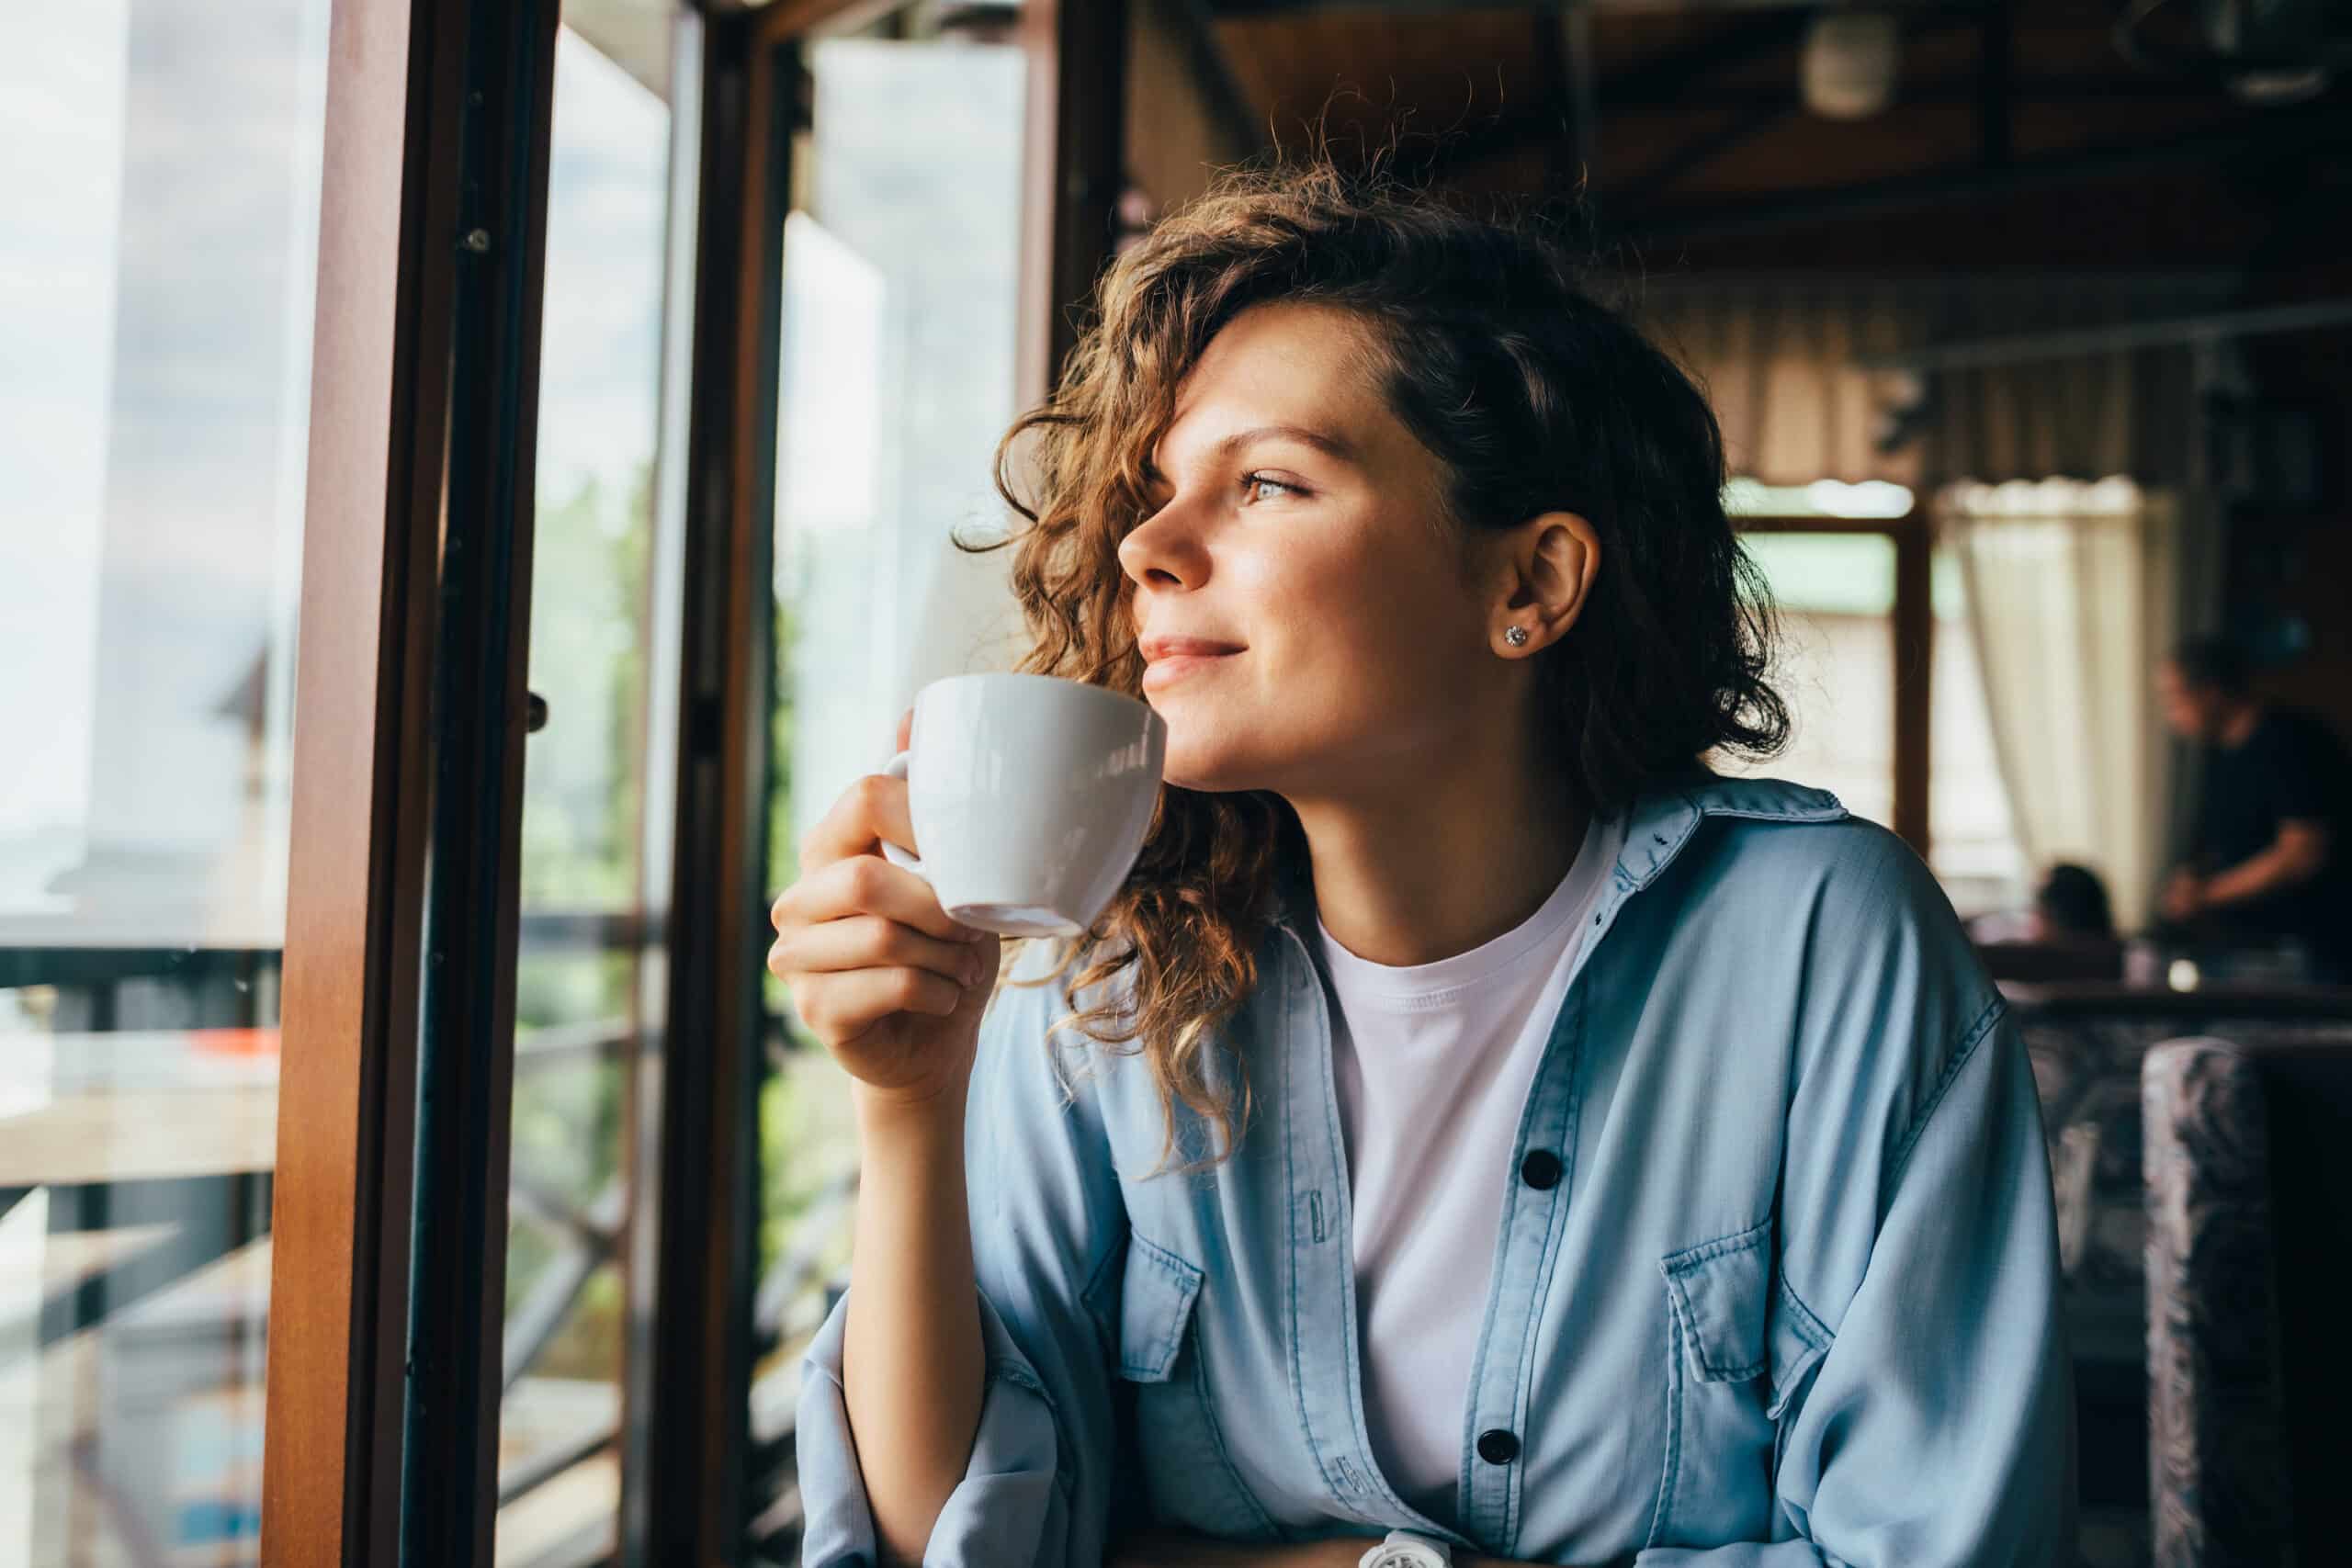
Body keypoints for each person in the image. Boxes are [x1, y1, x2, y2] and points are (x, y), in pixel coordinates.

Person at [770, 163, 2073, 1568]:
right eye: (1153, 493)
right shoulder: (1109, 967)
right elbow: (946, 1542)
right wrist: (910, 1103)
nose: (1147, 545)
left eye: (1265, 481)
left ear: (1528, 584)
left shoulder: (1825, 943)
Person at [2156, 636, 2352, 980]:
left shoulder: (2289, 742)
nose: (2170, 714)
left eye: (2175, 698)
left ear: (2212, 691)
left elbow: (2302, 853)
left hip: (2308, 952)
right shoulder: (2221, 756)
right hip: (2249, 947)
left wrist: (2206, 895)